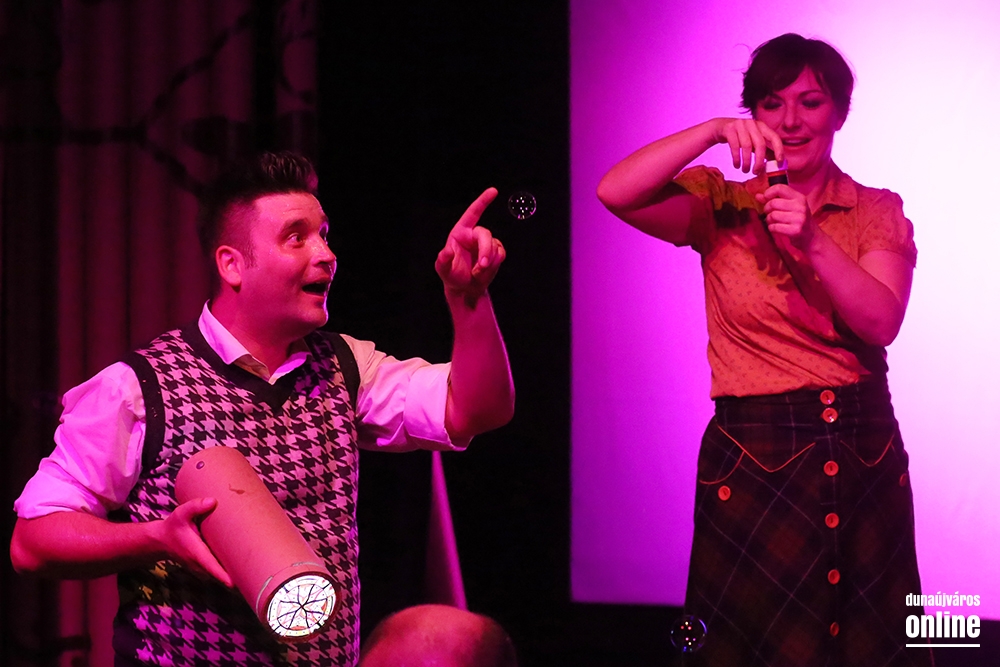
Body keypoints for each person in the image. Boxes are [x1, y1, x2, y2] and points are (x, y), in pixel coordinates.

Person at [10, 152, 515, 666]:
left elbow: (475, 410)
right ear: (232, 264)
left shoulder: (346, 367)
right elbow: (32, 541)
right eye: (297, 238)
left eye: (324, 234)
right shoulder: (138, 389)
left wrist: (468, 298)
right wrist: (155, 538)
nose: (326, 254)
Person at [597, 34, 929, 666]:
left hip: (861, 445)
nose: (791, 120)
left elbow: (881, 321)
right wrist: (711, 131)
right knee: (747, 643)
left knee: (875, 643)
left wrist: (812, 241)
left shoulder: (875, 209)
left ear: (840, 112)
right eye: (772, 103)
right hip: (754, 452)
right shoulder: (721, 204)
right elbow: (616, 191)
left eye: (811, 102)